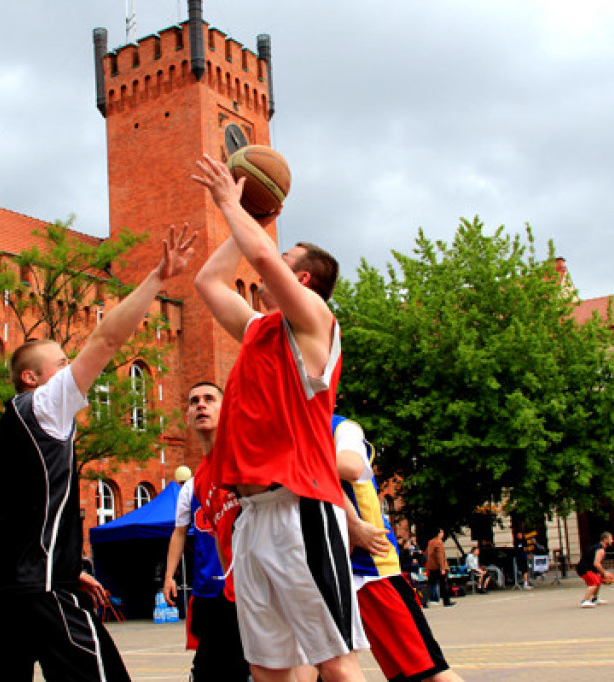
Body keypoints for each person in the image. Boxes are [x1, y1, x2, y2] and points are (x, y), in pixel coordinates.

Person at [0, 226, 195, 681]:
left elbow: (14, 518)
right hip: (37, 590)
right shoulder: (43, 406)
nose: (71, 369)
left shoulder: (9, 433)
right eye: (61, 364)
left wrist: (67, 568)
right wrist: (157, 279)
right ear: (32, 378)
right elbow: (106, 341)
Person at [192, 155, 368, 681]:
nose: (270, 250)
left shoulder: (316, 321)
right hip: (252, 517)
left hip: (302, 510)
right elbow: (208, 282)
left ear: (305, 278)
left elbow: (264, 261)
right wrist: (253, 213)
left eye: (284, 252)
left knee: (334, 663)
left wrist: (230, 203)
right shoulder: (257, 331)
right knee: (268, 669)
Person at [335, 414, 463, 681]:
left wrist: (291, 460)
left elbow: (351, 466)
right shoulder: (294, 433)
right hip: (335, 571)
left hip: (371, 569)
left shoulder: (341, 427)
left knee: (430, 672)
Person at [162, 382, 250, 681]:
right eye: (194, 401)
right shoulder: (197, 481)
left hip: (269, 588)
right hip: (223, 592)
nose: (200, 405)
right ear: (186, 415)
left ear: (226, 410)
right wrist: (169, 576)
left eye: (209, 399)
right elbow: (191, 534)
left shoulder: (245, 453)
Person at [576, 532, 613, 608]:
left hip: (589, 567)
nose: (612, 541)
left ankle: (595, 599)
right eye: (611, 539)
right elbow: (596, 563)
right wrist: (604, 573)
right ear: (605, 540)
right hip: (585, 568)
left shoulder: (598, 547)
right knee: (594, 582)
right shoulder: (600, 550)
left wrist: (601, 574)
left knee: (598, 580)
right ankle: (585, 601)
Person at [425, 529, 455, 607]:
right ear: (439, 534)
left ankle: (424, 600)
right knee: (444, 584)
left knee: (430, 584)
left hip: (432, 566)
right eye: (442, 532)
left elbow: (428, 553)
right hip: (439, 567)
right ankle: (446, 601)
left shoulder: (430, 542)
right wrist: (442, 567)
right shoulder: (439, 542)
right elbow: (440, 556)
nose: (443, 534)